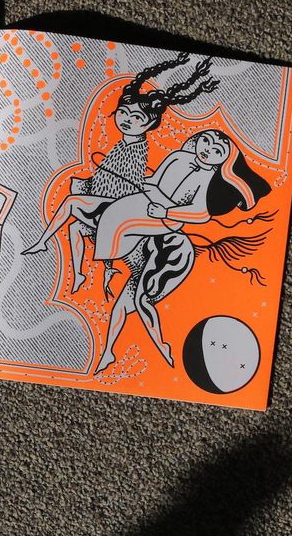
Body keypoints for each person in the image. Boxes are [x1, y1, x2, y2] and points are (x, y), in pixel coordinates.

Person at [21, 53, 220, 292]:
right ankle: (80, 275)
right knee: (75, 227)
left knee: (72, 202)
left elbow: (127, 184)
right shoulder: (124, 143)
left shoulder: (136, 148)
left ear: (149, 124)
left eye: (136, 118)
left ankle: (43, 242)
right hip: (109, 198)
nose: (126, 120)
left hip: (119, 202)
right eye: (124, 113)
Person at [91, 129, 271, 371]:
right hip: (148, 221)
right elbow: (155, 182)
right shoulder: (178, 156)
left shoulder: (209, 180)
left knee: (139, 299)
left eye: (217, 151)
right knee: (109, 224)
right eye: (205, 141)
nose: (207, 150)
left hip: (169, 243)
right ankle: (109, 351)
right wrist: (144, 185)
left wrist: (166, 210)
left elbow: (201, 213)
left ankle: (161, 346)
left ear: (223, 161)